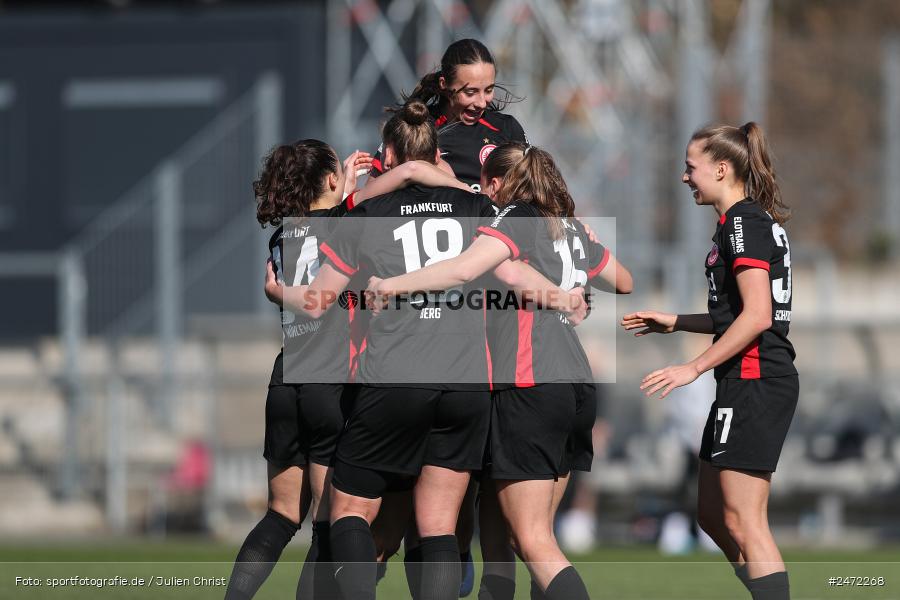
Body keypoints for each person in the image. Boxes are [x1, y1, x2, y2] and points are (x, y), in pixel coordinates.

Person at [369, 142, 633, 600]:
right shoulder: (568, 227)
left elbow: (471, 271)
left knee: (531, 541)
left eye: (488, 182)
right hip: (573, 383)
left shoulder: (517, 216)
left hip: (528, 383)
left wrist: (391, 285)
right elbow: (624, 281)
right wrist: (571, 281)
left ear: (503, 183)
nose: (483, 191)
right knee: (509, 541)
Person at [621, 122, 796, 600]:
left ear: (721, 170)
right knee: (712, 515)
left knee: (743, 519)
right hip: (740, 379)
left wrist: (691, 367)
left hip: (757, 378)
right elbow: (739, 312)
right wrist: (676, 322)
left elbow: (758, 316)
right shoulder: (737, 224)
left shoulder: (743, 223)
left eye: (690, 168)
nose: (684, 178)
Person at [224, 141, 371, 600]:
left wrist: (340, 188)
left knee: (281, 516)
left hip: (287, 379)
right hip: (331, 382)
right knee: (326, 525)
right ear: (330, 180)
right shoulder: (349, 226)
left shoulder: (281, 235)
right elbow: (349, 222)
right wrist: (350, 190)